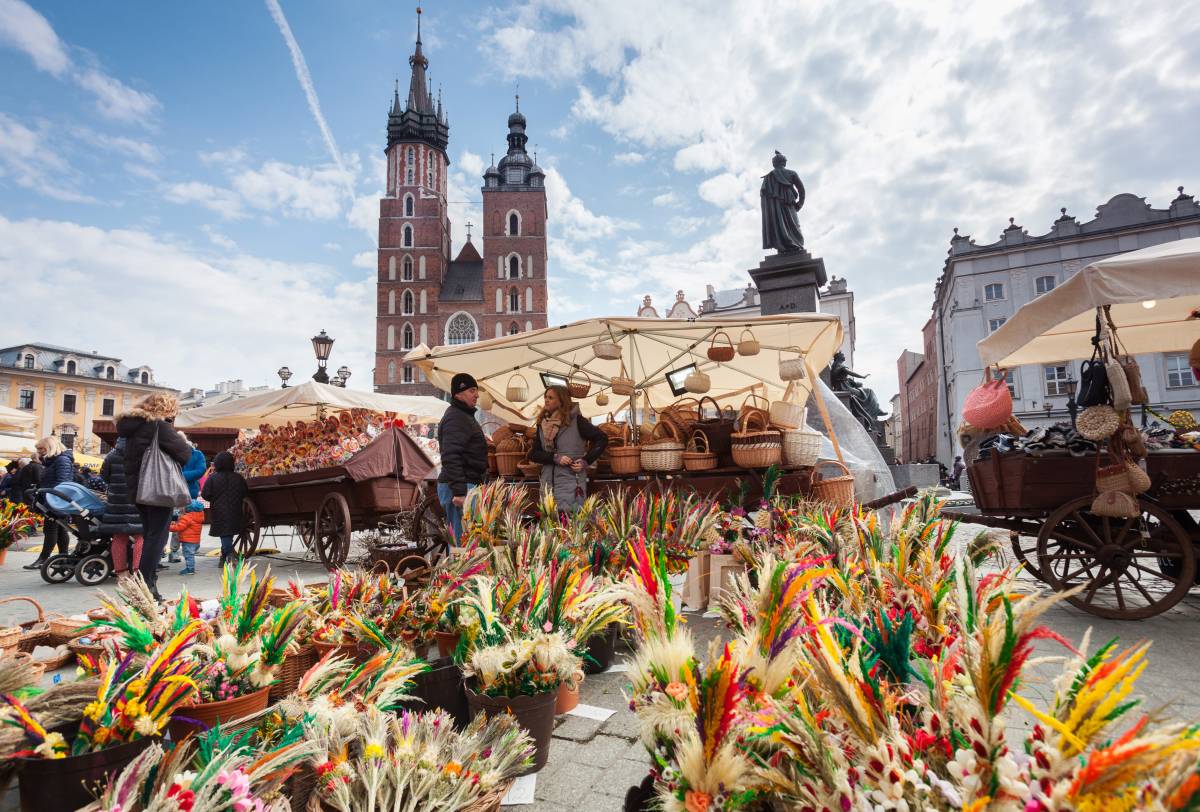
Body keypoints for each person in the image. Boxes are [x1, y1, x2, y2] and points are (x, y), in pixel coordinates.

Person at [118, 393, 192, 600]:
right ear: (166, 409)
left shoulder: (131, 428)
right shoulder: (158, 426)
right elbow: (184, 454)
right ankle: (145, 585)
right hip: (158, 489)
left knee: (150, 534)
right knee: (157, 538)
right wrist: (182, 440)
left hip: (139, 490)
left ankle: (148, 586)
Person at [527, 385, 608, 513]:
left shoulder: (577, 421)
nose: (546, 400)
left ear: (561, 401)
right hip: (547, 484)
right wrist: (554, 457)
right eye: (545, 397)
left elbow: (602, 439)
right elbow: (533, 454)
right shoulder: (542, 423)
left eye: (551, 397)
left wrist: (586, 461)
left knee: (571, 525)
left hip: (571, 483)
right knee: (549, 526)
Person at [436, 372, 488, 541]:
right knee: (462, 543)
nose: (477, 394)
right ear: (459, 393)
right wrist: (459, 492)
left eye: (476, 390)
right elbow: (451, 456)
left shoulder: (463, 415)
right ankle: (460, 568)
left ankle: (467, 567)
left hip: (468, 485)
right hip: (460, 488)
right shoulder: (456, 417)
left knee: (473, 540)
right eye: (472, 390)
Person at [98, 436, 144, 581]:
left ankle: (121, 573)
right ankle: (138, 573)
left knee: (119, 536)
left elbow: (104, 476)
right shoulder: (143, 452)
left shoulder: (112, 455)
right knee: (140, 536)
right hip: (138, 499)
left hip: (116, 500)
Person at [25, 436, 74, 570]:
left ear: (51, 446)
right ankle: (63, 558)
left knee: (51, 529)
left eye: (41, 448)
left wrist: (47, 491)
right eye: (37, 449)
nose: (39, 451)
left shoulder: (61, 460)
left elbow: (62, 482)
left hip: (57, 500)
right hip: (54, 499)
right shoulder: (53, 461)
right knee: (59, 530)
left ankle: (43, 559)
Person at [201, 451, 248, 566]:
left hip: (219, 511)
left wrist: (214, 499)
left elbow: (205, 494)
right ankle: (224, 556)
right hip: (235, 510)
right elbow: (245, 492)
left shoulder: (213, 478)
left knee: (225, 534)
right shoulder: (238, 478)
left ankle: (229, 554)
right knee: (229, 533)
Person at [167, 434, 207, 563]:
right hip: (175, 493)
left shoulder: (197, 454)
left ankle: (190, 548)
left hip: (190, 493)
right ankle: (174, 551)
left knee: (193, 522)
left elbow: (201, 470)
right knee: (179, 521)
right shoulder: (172, 453)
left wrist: (181, 476)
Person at [169, 499, 205, 575]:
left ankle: (190, 569)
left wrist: (168, 527)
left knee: (188, 555)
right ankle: (190, 568)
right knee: (190, 555)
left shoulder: (187, 517)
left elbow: (178, 527)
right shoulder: (199, 516)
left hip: (188, 541)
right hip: (195, 541)